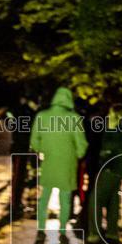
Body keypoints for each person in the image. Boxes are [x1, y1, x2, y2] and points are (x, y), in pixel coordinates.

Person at [29, 86, 88, 232]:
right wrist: (77, 155)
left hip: (49, 161)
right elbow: (81, 143)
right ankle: (62, 229)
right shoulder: (74, 118)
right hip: (68, 163)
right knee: (65, 198)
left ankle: (41, 227)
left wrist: (43, 150)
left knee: (45, 196)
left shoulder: (42, 116)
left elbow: (34, 141)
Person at [87, 103, 122, 244]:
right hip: (120, 170)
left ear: (115, 115)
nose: (107, 116)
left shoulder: (116, 129)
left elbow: (110, 148)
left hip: (110, 168)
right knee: (113, 200)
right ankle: (112, 232)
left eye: (110, 113)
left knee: (95, 200)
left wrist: (103, 159)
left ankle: (94, 233)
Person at [5, 95, 36, 218]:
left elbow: (10, 125)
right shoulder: (25, 111)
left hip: (20, 147)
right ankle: (15, 204)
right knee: (18, 177)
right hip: (20, 147)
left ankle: (16, 202)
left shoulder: (16, 110)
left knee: (20, 176)